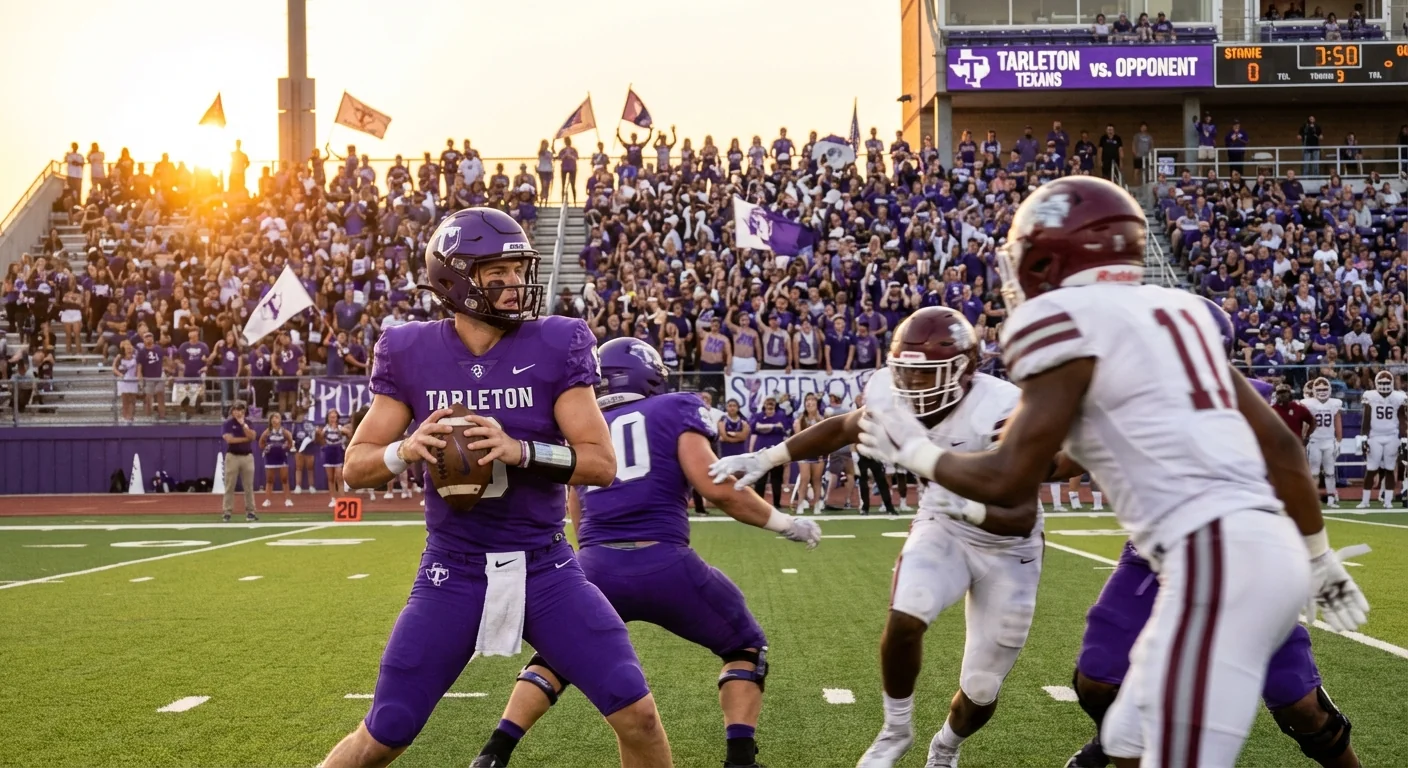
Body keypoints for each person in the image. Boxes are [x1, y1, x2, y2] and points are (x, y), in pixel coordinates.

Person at [853, 177, 1368, 767]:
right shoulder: (1180, 311)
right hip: (1250, 553)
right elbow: (1279, 446)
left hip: (1217, 563)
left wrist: (916, 453)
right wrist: (1319, 556)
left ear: (1050, 257)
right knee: (1123, 739)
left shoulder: (1064, 322)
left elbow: (1009, 480)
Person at [321, 207, 670, 767]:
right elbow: (356, 465)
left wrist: (522, 450)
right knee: (385, 733)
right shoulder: (411, 350)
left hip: (544, 566)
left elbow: (600, 463)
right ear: (456, 278)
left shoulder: (556, 342)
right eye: (497, 274)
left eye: (518, 270)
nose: (515, 285)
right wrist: (405, 449)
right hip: (452, 568)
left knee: (639, 716)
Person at [711, 306, 1040, 768]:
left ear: (966, 369)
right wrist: (767, 458)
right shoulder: (892, 391)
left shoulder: (1002, 407)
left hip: (1008, 546)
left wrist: (960, 501)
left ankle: (945, 746)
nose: (913, 385)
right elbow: (846, 425)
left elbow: (1021, 513)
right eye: (906, 373)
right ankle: (895, 728)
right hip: (941, 525)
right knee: (906, 616)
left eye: (928, 375)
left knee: (982, 689)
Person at [469, 338, 819, 768]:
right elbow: (715, 489)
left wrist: (595, 562)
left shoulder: (584, 427)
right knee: (746, 646)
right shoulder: (675, 407)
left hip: (595, 564)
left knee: (557, 657)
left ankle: (494, 752)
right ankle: (741, 760)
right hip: (665, 562)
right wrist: (785, 524)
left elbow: (574, 505)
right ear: (648, 375)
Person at [1065, 301, 1363, 768]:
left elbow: (1284, 452)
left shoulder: (1239, 400)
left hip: (1245, 561)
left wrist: (1318, 557)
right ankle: (1118, 742)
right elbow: (1063, 457)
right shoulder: (1126, 400)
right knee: (1098, 679)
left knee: (1300, 704)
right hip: (1157, 559)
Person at [1358, 371, 1405, 509]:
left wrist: (1404, 438)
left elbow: (1402, 419)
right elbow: (1366, 418)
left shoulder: (1399, 397)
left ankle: (1388, 501)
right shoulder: (1370, 396)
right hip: (1375, 436)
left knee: (1390, 468)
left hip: (1392, 436)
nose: (1384, 385)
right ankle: (1365, 501)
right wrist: (1363, 436)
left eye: (1386, 383)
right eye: (1382, 382)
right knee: (1371, 468)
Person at [1303, 377, 1343, 508]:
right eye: (1319, 389)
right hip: (1314, 441)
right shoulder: (1308, 403)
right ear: (1314, 390)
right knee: (1314, 472)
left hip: (1328, 440)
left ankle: (1331, 498)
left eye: (1324, 389)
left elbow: (1337, 422)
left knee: (1330, 472)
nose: (1322, 391)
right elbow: (1305, 423)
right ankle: (1313, 499)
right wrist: (1305, 438)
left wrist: (1339, 440)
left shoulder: (1334, 403)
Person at [221, 401, 259, 523]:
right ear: (232, 411)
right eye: (236, 409)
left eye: (241, 410)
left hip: (247, 456)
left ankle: (250, 511)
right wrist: (245, 439)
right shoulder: (228, 424)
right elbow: (229, 439)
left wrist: (243, 426)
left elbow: (252, 437)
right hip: (233, 456)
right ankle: (227, 512)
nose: (238, 412)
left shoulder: (248, 423)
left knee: (248, 486)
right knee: (230, 485)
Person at [261, 411, 294, 509]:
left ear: (280, 420)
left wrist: (286, 447)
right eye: (273, 418)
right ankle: (267, 500)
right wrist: (266, 448)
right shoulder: (267, 432)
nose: (275, 420)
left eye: (277, 418)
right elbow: (261, 443)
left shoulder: (284, 431)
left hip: (282, 457)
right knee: (269, 480)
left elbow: (290, 441)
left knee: (284, 479)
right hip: (270, 458)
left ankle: (288, 499)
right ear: (270, 421)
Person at [318, 409, 350, 509]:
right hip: (328, 453)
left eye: (334, 417)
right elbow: (320, 440)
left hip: (338, 453)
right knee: (330, 478)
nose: (332, 419)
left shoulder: (340, 428)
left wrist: (346, 432)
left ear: (337, 418)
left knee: (339, 477)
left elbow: (349, 434)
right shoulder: (325, 429)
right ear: (328, 418)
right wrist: (319, 435)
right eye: (331, 417)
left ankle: (342, 499)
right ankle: (332, 499)